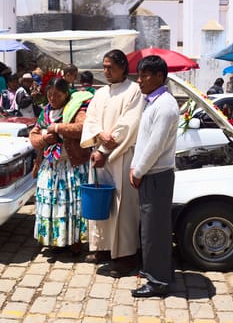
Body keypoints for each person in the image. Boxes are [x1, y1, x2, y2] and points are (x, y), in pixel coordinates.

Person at [80, 49, 145, 277]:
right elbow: (91, 119)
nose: (106, 71)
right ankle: (104, 249)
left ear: (123, 68)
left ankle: (126, 256)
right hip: (100, 156)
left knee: (122, 206)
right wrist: (99, 135)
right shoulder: (100, 93)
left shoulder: (134, 91)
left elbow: (129, 124)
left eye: (110, 67)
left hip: (121, 156)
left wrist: (106, 149)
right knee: (100, 203)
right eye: (104, 66)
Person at [129, 55, 179, 298]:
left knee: (154, 231)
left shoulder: (165, 106)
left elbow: (155, 146)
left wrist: (138, 171)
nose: (139, 81)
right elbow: (145, 140)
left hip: (155, 175)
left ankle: (158, 282)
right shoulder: (155, 102)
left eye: (144, 75)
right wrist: (135, 167)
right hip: (151, 174)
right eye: (139, 75)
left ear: (160, 77)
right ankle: (156, 271)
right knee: (151, 228)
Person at [29, 77, 93, 253]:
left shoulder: (76, 108)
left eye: (57, 95)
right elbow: (33, 137)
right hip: (51, 168)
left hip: (71, 167)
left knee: (72, 206)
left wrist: (57, 128)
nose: (52, 99)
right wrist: (43, 138)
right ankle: (56, 240)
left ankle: (74, 242)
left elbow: (82, 128)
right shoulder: (46, 112)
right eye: (49, 95)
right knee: (53, 204)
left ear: (66, 94)